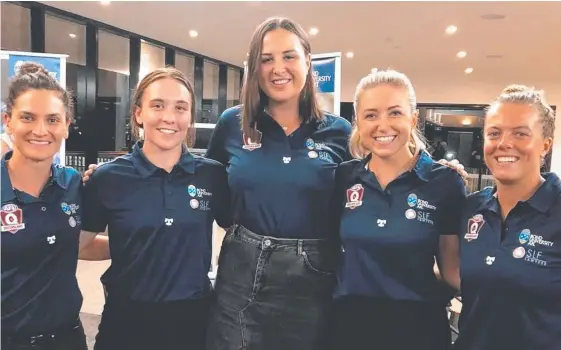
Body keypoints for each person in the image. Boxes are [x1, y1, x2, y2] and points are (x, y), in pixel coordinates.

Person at [203, 17, 352, 350]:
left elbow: (372, 186)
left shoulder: (340, 132)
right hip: (240, 276)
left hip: (313, 283)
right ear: (255, 68)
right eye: (266, 59)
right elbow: (207, 186)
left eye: (289, 56)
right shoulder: (232, 124)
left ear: (308, 62)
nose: (277, 68)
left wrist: (436, 171)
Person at [80, 67, 231, 350]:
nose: (169, 117)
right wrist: (133, 244)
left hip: (193, 323)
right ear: (138, 113)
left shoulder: (212, 175)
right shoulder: (108, 178)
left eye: (180, 107)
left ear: (190, 117)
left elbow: (238, 233)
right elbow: (78, 246)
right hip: (126, 322)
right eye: (157, 105)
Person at [328, 69, 466, 350]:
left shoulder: (444, 182)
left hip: (418, 329)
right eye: (370, 115)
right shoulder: (344, 177)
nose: (382, 125)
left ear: (413, 118)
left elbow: (452, 271)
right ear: (358, 121)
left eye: (394, 113)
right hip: (349, 327)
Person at [1, 62, 106, 350]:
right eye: (27, 117)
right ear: (7, 121)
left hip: (68, 338)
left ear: (66, 126)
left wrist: (137, 242)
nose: (40, 130)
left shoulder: (72, 183)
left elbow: (77, 244)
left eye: (52, 119)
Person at [454, 85, 560, 350]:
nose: (504, 143)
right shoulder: (470, 208)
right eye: (494, 133)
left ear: (545, 145)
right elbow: (459, 274)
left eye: (520, 133)